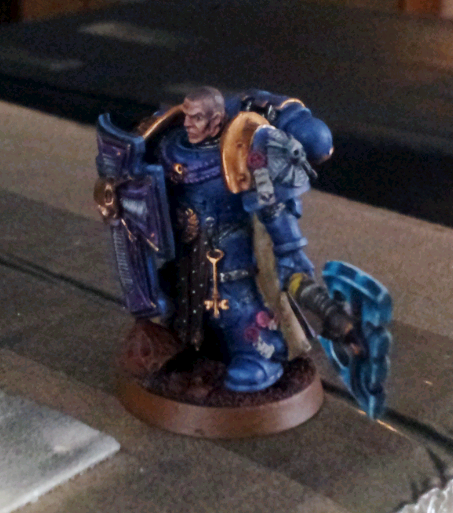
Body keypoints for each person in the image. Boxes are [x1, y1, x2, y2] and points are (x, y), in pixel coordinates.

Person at [142, 86, 333, 392]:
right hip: (183, 244)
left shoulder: (244, 149)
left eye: (197, 118)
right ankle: (191, 341)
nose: (188, 123)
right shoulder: (169, 145)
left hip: (228, 246)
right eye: (187, 116)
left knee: (233, 304)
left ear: (217, 120)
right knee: (174, 295)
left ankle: (260, 354)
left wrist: (290, 252)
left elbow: (272, 205)